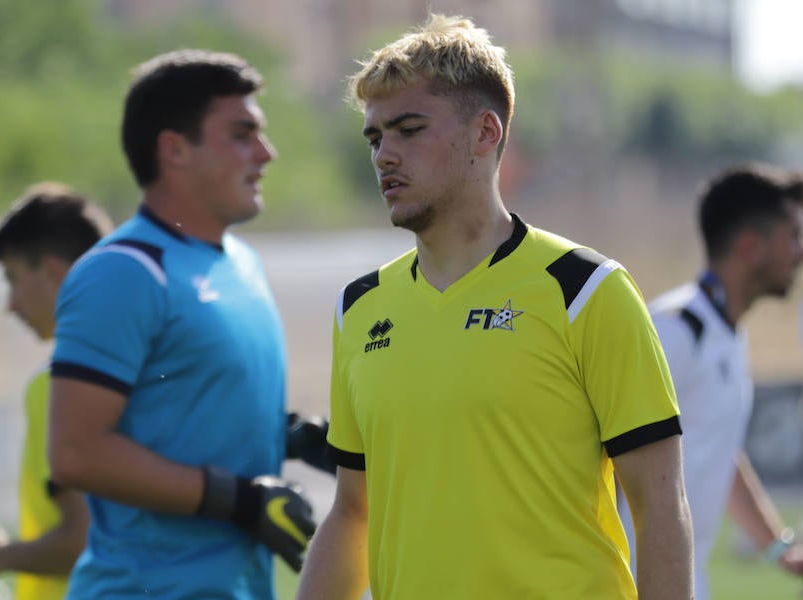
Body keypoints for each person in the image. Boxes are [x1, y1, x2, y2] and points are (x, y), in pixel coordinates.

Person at [296, 14, 693, 599]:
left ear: (485, 133)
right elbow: (354, 513)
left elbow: (660, 508)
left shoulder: (584, 289)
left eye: (408, 129)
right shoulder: (358, 309)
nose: (384, 155)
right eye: (376, 137)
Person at [46, 49, 317, 600]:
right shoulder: (123, 271)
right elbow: (76, 452)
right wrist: (238, 499)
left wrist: (299, 437)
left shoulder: (240, 262)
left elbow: (185, 405)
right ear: (174, 149)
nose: (266, 153)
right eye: (242, 134)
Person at [617, 163, 803, 600]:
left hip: (684, 583)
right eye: (792, 236)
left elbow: (714, 445)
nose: (800, 251)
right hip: (629, 584)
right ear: (749, 246)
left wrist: (777, 546)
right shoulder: (675, 332)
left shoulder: (725, 332)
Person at [0, 182, 110, 599]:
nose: (9, 304)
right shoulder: (143, 370)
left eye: (13, 279)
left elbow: (84, 540)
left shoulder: (60, 384)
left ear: (52, 271)